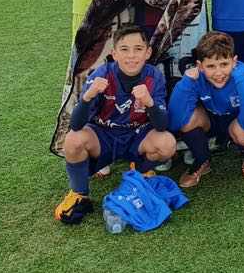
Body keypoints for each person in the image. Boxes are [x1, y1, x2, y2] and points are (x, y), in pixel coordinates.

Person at [54, 25, 175, 224]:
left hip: (137, 137)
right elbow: (76, 124)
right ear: (114, 54)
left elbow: (162, 125)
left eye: (138, 49)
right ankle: (79, 193)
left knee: (167, 143)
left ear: (147, 52)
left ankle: (140, 170)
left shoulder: (154, 77)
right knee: (73, 139)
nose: (131, 56)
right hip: (104, 137)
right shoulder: (101, 75)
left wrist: (150, 103)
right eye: (124, 49)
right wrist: (88, 97)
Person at [167, 31, 244, 188]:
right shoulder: (195, 78)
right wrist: (186, 82)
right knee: (188, 120)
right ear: (200, 66)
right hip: (212, 120)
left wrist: (241, 80)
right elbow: (175, 122)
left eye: (224, 64)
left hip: (238, 121)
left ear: (234, 62)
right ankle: (201, 160)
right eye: (211, 66)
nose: (218, 73)